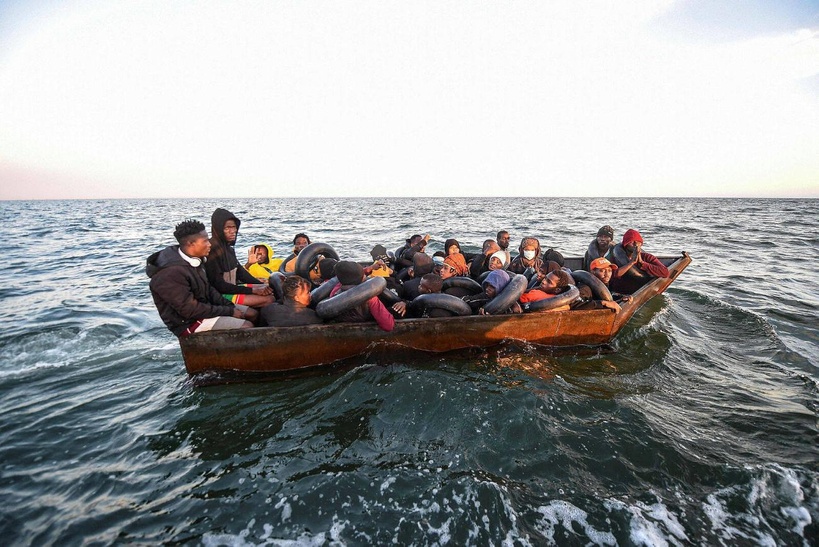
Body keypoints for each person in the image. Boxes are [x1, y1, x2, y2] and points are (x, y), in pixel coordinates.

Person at [146, 219, 256, 337]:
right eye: (205, 241)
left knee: (252, 313)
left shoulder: (195, 260)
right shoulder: (169, 274)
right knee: (247, 326)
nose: (209, 244)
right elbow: (189, 310)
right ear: (191, 244)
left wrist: (228, 306)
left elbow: (209, 289)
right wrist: (229, 311)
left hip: (205, 308)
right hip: (188, 323)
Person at [205, 208, 275, 308]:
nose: (233, 231)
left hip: (232, 288)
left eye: (234, 227)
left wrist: (260, 284)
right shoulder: (211, 251)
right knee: (269, 299)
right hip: (220, 295)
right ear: (218, 229)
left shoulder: (229, 249)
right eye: (227, 228)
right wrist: (253, 290)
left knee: (270, 289)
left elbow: (241, 273)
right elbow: (219, 285)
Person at [329, 261, 395, 331]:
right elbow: (388, 326)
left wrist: (370, 268)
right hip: (363, 324)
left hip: (342, 323)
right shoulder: (369, 297)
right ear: (362, 278)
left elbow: (349, 276)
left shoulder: (335, 291)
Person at [610, 229, 669, 294]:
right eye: (631, 242)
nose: (635, 244)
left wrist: (642, 263)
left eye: (638, 242)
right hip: (621, 291)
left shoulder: (647, 257)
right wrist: (631, 262)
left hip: (638, 289)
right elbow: (614, 274)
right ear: (625, 244)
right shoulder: (617, 257)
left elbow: (665, 272)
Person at [258, 275, 323, 327]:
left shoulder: (269, 310)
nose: (310, 295)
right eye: (307, 293)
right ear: (296, 298)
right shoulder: (312, 316)